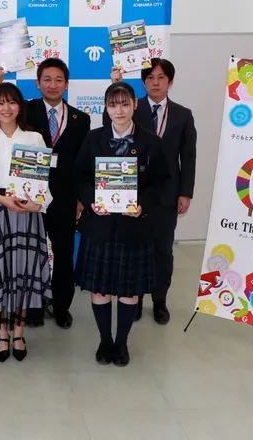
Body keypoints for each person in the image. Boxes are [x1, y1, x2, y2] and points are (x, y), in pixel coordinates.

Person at [0, 59, 91, 329]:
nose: (52, 85)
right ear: (38, 83)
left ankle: (61, 306)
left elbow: (83, 163)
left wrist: (81, 199)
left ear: (67, 84)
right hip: (29, 196)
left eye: (59, 80)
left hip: (64, 198)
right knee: (31, 252)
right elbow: (0, 117)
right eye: (47, 79)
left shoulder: (81, 119)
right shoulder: (25, 110)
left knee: (64, 251)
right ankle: (32, 306)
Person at [75, 82, 168, 367]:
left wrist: (143, 206)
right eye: (113, 105)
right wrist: (91, 201)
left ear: (135, 105)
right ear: (106, 108)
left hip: (134, 227)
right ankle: (105, 341)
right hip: (100, 226)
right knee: (100, 290)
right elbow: (80, 176)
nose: (119, 110)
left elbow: (161, 182)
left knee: (129, 291)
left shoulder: (150, 141)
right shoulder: (93, 138)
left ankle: (121, 342)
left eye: (125, 103)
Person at [0, 82, 53, 362]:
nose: (6, 108)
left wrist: (38, 204)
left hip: (27, 214)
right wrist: (2, 200)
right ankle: (2, 332)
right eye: (0, 103)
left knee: (23, 274)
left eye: (12, 102)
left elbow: (44, 183)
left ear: (20, 107)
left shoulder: (35, 138)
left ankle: (19, 332)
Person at [109, 59, 197, 324]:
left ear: (171, 81)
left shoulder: (183, 114)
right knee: (134, 250)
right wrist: (117, 87)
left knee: (162, 251)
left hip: (167, 195)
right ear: (143, 82)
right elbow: (109, 127)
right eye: (150, 78)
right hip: (133, 192)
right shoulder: (132, 108)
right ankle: (134, 299)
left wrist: (186, 193)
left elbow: (188, 157)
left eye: (161, 78)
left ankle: (160, 300)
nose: (155, 83)